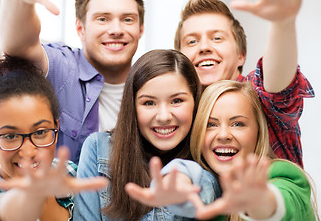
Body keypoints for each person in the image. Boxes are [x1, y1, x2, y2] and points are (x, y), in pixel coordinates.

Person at [126, 80, 318, 221]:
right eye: (211, 124)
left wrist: (261, 202)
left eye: (238, 124)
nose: (224, 134)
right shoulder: (208, 186)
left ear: (259, 131)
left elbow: (282, 201)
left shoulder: (286, 176)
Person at [0, 0, 145, 163]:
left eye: (127, 19)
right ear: (80, 29)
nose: (116, 30)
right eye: (102, 19)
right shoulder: (62, 67)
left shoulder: (150, 84)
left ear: (140, 29)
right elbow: (20, 45)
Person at [174, 0, 314, 167]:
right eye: (192, 41)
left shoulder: (256, 94)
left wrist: (283, 23)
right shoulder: (180, 110)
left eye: (217, 38)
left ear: (241, 55)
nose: (204, 47)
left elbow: (277, 87)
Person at [73, 49, 221, 220]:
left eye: (177, 101)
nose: (164, 116)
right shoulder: (98, 148)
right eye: (149, 103)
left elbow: (205, 185)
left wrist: (183, 178)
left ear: (195, 101)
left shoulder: (208, 157)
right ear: (133, 106)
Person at [0, 54, 108, 221]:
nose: (28, 151)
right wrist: (28, 198)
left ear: (56, 128)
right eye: (10, 136)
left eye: (40, 132)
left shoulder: (72, 173)